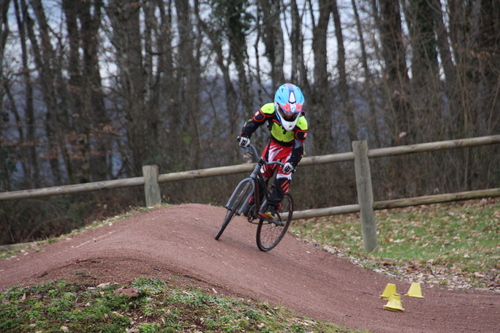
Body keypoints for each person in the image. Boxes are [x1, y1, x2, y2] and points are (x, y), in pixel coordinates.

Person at [238, 83, 308, 220]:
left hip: (290, 149)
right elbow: (252, 123)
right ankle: (251, 205)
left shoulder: (302, 123)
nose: (289, 114)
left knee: (283, 176)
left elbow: (298, 148)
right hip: (273, 146)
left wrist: (292, 163)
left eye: (293, 112)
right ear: (278, 105)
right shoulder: (268, 109)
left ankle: (272, 207)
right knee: (262, 174)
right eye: (286, 110)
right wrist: (244, 136)